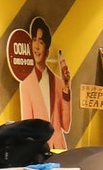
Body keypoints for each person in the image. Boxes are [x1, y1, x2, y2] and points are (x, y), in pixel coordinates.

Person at [17, 15, 71, 150]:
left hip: (59, 150)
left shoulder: (58, 82)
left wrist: (66, 88)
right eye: (34, 40)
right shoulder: (26, 85)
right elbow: (27, 128)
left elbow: (66, 125)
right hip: (38, 151)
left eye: (40, 42)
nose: (36, 46)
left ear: (47, 50)